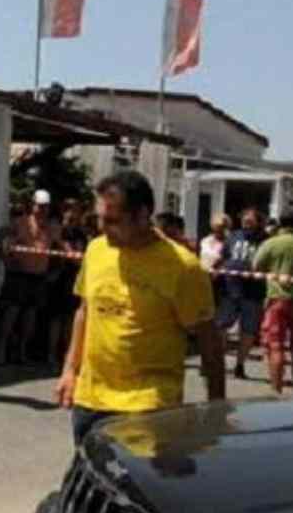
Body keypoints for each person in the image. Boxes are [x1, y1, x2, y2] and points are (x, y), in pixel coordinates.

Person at [55, 171, 224, 445]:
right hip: (89, 401)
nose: (102, 227)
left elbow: (209, 340)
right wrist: (69, 371)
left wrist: (216, 409)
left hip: (147, 407)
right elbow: (84, 312)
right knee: (90, 472)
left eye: (113, 220)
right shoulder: (96, 250)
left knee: (135, 475)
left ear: (142, 215)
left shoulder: (183, 268)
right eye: (99, 218)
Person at [0, 189, 58, 364]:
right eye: (40, 206)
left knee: (30, 316)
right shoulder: (20, 223)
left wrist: (54, 270)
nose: (43, 209)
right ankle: (1, 350)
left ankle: (22, 352)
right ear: (33, 205)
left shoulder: (51, 227)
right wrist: (5, 259)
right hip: (19, 275)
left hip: (38, 276)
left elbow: (57, 247)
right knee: (12, 312)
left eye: (46, 206)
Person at [216, 209, 267, 379]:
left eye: (250, 221)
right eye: (245, 221)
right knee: (221, 326)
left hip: (253, 292)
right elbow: (224, 257)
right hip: (230, 290)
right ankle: (217, 363)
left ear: (258, 222)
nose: (247, 224)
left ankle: (239, 365)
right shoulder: (233, 236)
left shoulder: (265, 239)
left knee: (248, 330)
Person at [252, 212, 293, 394]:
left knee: (275, 346)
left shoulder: (271, 243)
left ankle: (276, 391)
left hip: (277, 299)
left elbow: (256, 266)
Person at [47, 198, 88, 365]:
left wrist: (66, 247)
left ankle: (66, 354)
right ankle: (50, 354)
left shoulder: (80, 234)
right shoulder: (56, 230)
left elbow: (79, 258)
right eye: (69, 209)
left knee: (70, 318)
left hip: (74, 278)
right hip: (56, 279)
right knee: (55, 318)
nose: (72, 213)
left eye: (76, 210)